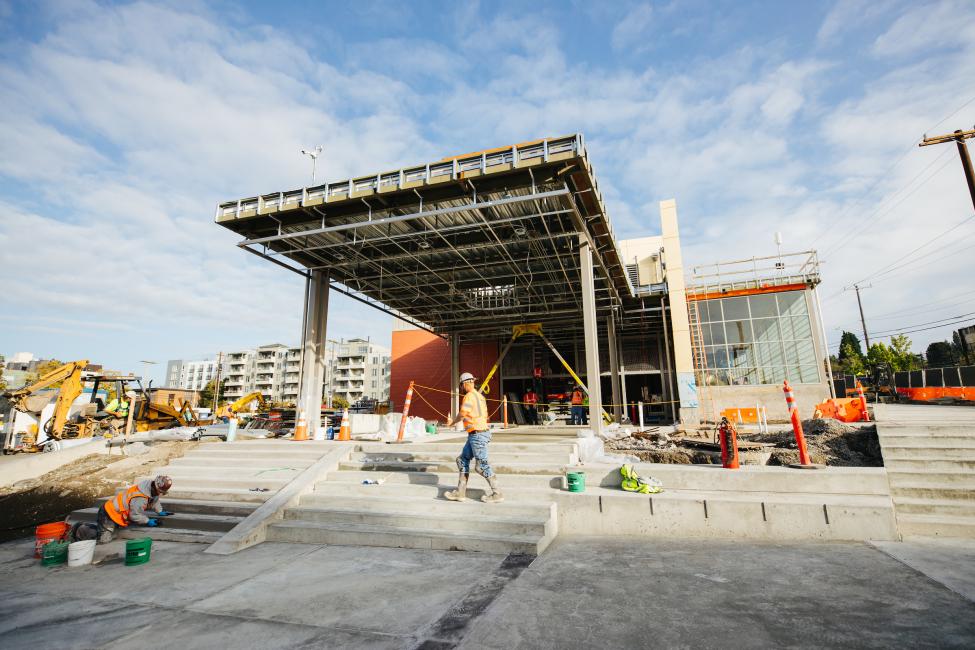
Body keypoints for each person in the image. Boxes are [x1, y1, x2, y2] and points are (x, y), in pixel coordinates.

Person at [443, 372, 503, 503]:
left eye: (462, 385)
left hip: (478, 435)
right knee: (462, 460)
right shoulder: (480, 396)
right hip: (476, 434)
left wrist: (452, 423)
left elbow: (463, 413)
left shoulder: (469, 396)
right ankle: (460, 493)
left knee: (481, 466)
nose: (462, 388)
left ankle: (497, 493)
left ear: (465, 383)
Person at [72, 475, 173, 544]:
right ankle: (80, 528)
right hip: (109, 513)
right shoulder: (140, 498)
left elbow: (154, 500)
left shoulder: (149, 487)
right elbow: (134, 515)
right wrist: (147, 521)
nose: (161, 494)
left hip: (117, 513)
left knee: (111, 534)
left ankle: (98, 528)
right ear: (156, 488)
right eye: (161, 492)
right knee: (104, 539)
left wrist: (159, 511)